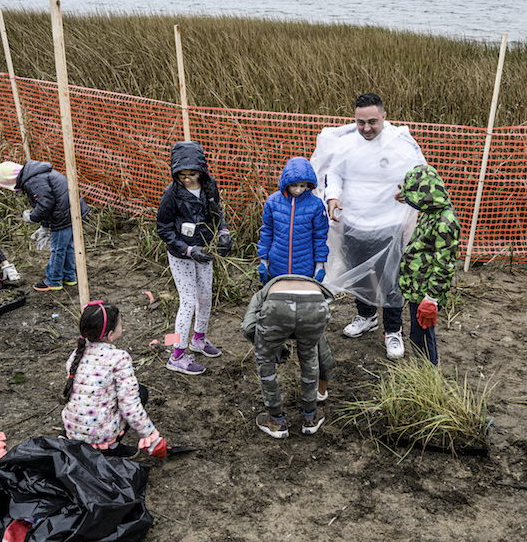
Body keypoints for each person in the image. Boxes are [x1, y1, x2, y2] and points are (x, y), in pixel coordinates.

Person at [311, 93, 426, 360]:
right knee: (360, 275)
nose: (366, 128)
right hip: (353, 223)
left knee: (390, 280)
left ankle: (393, 330)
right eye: (360, 122)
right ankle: (366, 316)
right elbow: (335, 173)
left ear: (384, 117)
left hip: (389, 224)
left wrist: (408, 191)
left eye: (372, 122)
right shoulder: (347, 144)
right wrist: (333, 195)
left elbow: (420, 174)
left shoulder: (401, 144)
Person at [256, 156, 335, 401]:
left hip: (305, 268)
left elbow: (320, 236)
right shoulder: (272, 202)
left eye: (303, 186)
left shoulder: (315, 206)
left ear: (309, 185)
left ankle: (308, 351)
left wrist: (320, 265)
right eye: (294, 186)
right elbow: (266, 231)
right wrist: (263, 259)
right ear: (285, 183)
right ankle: (278, 347)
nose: (299, 190)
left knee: (305, 313)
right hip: (277, 267)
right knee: (276, 311)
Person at [156, 140, 232, 376]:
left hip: (205, 249)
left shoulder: (209, 187)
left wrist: (223, 233)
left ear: (201, 171)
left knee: (205, 297)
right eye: (182, 175)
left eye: (192, 174)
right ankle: (176, 354)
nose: (187, 179)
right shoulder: (172, 194)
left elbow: (216, 212)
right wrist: (188, 250)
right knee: (187, 301)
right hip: (183, 254)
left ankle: (198, 339)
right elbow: (164, 228)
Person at [62, 300, 167, 459]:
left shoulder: (76, 354)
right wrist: (151, 436)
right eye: (120, 325)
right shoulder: (119, 358)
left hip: (72, 429)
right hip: (98, 433)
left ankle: (74, 440)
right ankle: (110, 448)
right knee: (141, 392)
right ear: (110, 334)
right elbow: (129, 405)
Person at [241, 274, 332, 439]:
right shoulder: (310, 282)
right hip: (315, 303)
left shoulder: (264, 291)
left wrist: (272, 348)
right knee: (309, 356)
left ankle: (276, 421)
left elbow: (248, 328)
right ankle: (310, 417)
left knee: (265, 360)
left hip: (277, 306)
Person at [397, 165, 461, 365]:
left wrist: (431, 299)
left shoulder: (445, 222)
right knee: (417, 335)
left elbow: (444, 264)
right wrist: (406, 193)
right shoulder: (431, 210)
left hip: (426, 293)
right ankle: (421, 370)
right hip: (418, 288)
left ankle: (429, 375)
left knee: (423, 337)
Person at [0, 160, 90, 292]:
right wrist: (44, 226)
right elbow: (49, 201)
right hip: (71, 212)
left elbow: (45, 205)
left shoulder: (33, 181)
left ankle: (54, 280)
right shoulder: (36, 175)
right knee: (66, 246)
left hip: (63, 215)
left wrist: (32, 217)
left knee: (57, 249)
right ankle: (69, 276)